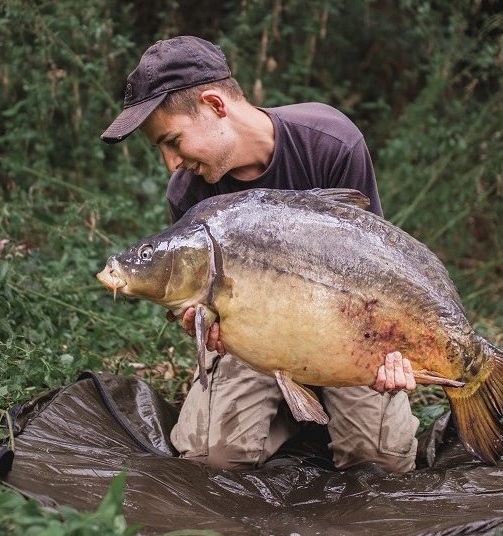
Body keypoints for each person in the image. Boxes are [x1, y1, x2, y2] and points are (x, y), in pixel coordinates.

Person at [101, 36, 420, 473]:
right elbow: (203, 309)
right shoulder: (188, 190)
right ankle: (292, 414)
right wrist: (201, 324)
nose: (170, 163)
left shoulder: (330, 142)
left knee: (381, 461)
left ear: (215, 105)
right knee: (212, 459)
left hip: (343, 328)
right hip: (252, 342)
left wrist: (392, 349)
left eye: (172, 141)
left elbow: (378, 270)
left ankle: (317, 406)